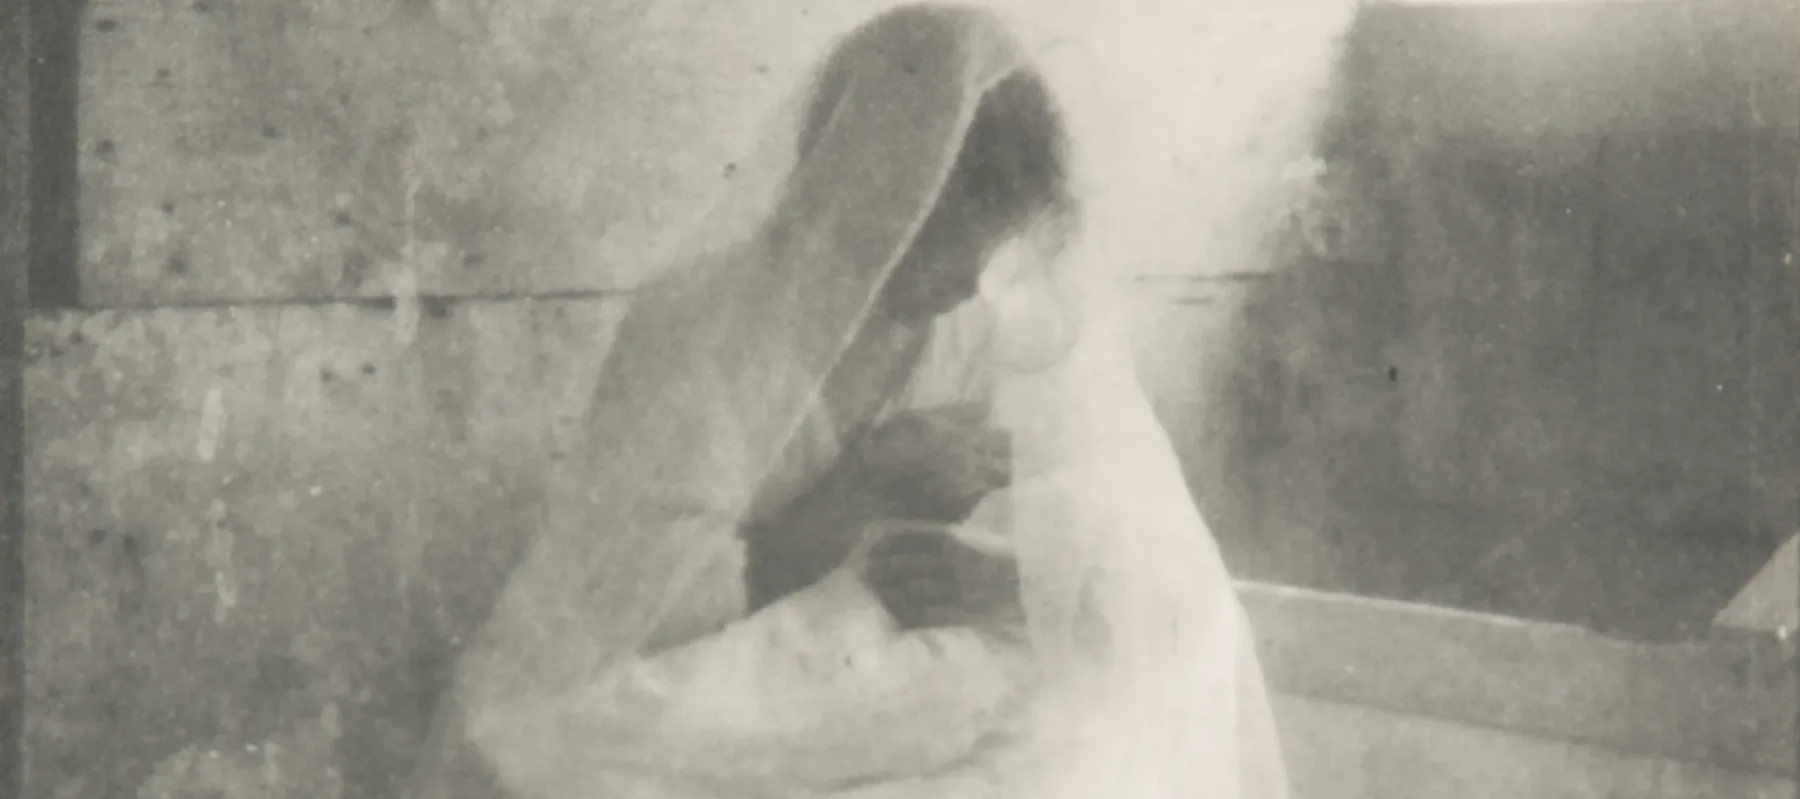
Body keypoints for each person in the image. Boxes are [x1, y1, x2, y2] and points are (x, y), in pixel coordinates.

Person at [407, 6, 1289, 798]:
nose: (962, 284)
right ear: (870, 201)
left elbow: (1122, 527)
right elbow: (632, 611)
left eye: (986, 253)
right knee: (566, 757)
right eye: (941, 247)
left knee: (1113, 703)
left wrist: (1018, 584)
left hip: (895, 669)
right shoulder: (704, 331)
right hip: (716, 674)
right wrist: (859, 493)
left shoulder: (977, 328)